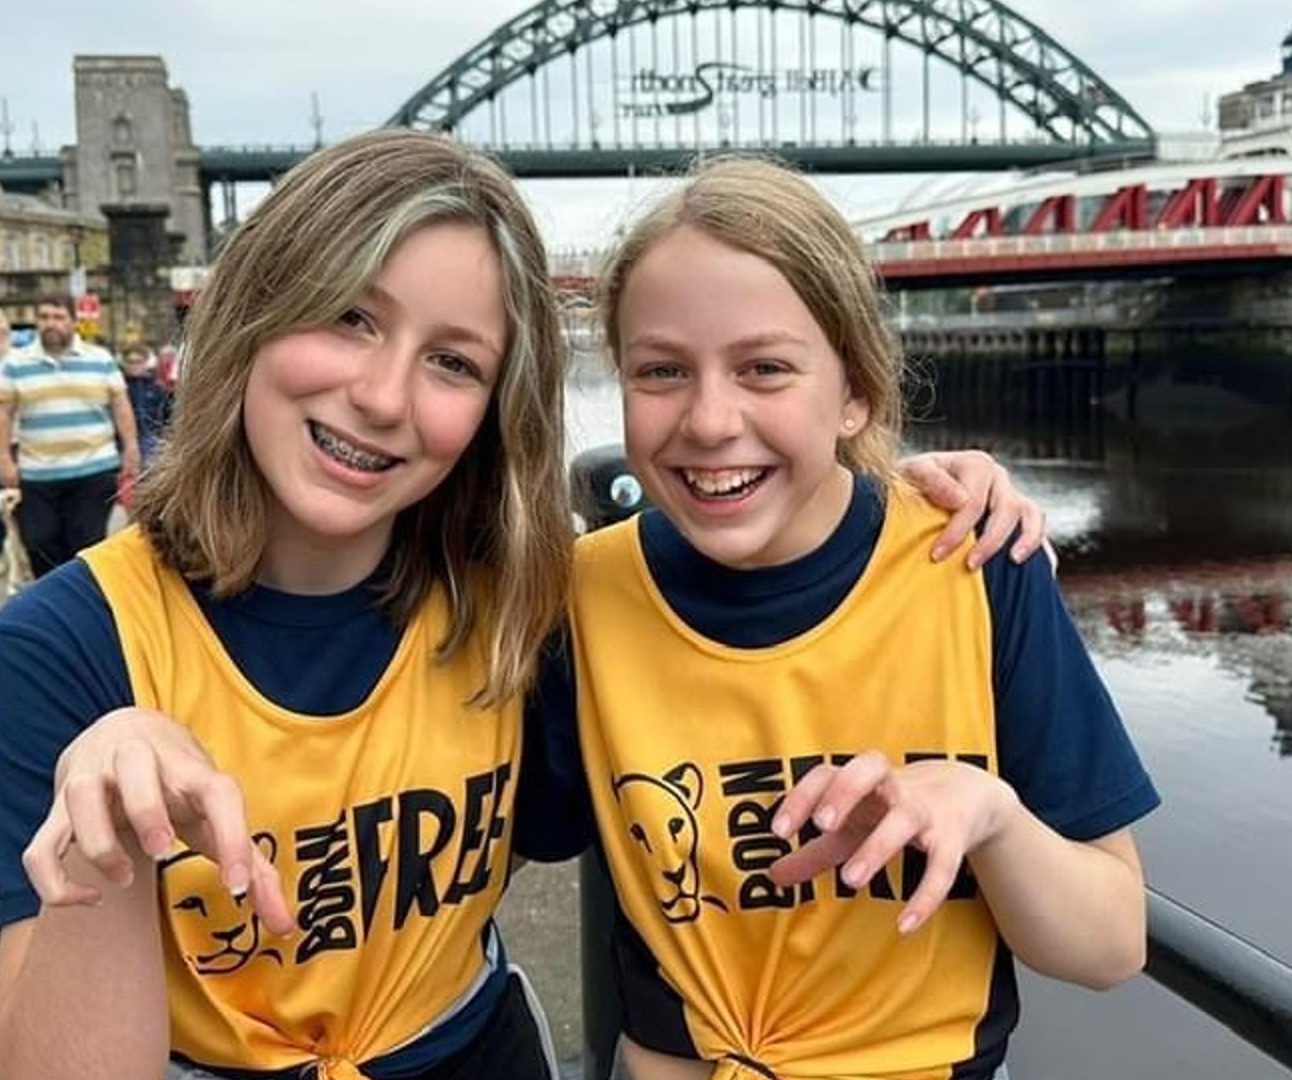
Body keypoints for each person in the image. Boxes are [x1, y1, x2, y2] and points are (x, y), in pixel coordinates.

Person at [1, 135, 1043, 1080]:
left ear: (498, 411)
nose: (382, 396)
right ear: (250, 317)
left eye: (452, 361)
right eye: (347, 316)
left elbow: (753, 628)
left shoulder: (517, 609)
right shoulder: (63, 651)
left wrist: (867, 490)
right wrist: (109, 844)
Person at [554, 158, 1158, 1080]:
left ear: (855, 392)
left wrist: (993, 819)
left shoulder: (972, 567)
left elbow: (1111, 945)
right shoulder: (578, 598)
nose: (711, 420)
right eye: (662, 370)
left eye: (765, 368)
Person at [0, 295, 140, 577]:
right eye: (44, 317)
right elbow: (4, 414)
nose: (51, 324)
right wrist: (4, 460)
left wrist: (131, 448)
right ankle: (51, 599)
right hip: (38, 473)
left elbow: (121, 406)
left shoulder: (100, 359)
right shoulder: (16, 363)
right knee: (39, 541)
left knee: (86, 544)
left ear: (73, 322)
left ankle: (82, 605)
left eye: (58, 317)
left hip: (93, 468)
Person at [119, 341, 173, 467]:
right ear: (124, 363)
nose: (134, 366)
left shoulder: (156, 386)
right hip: (126, 440)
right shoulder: (120, 386)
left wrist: (164, 435)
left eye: (138, 362)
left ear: (145, 362)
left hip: (151, 438)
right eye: (130, 362)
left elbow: (166, 413)